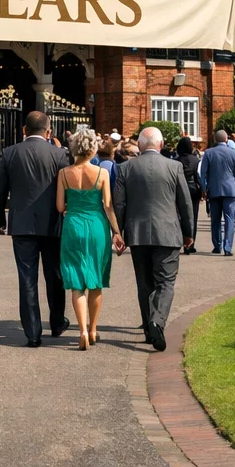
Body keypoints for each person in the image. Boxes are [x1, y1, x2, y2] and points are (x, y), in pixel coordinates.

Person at [0, 111, 71, 347]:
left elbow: (0, 190)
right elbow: (66, 189)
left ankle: (33, 332)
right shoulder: (59, 154)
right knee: (55, 275)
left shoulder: (10, 152)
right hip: (53, 223)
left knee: (27, 278)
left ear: (24, 130)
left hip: (22, 224)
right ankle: (56, 322)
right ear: (49, 132)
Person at [113, 126, 194, 351]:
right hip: (168, 233)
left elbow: (119, 203)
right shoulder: (174, 166)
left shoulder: (125, 168)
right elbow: (185, 203)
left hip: (137, 233)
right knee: (165, 282)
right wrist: (189, 233)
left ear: (139, 145)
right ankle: (157, 321)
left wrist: (118, 232)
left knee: (144, 282)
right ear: (161, 145)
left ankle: (151, 329)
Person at [56, 129, 121, 351]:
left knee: (76, 281)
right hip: (96, 227)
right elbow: (108, 206)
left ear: (74, 148)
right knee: (95, 279)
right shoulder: (102, 173)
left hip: (73, 225)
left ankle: (81, 329)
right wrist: (117, 232)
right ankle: (93, 330)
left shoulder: (64, 173)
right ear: (93, 148)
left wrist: (72, 207)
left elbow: (59, 207)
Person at [198, 129, 235, 256]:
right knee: (229, 219)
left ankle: (217, 245)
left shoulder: (208, 153)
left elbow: (203, 173)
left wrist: (204, 188)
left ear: (215, 140)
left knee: (215, 219)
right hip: (230, 190)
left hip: (214, 189)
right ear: (226, 140)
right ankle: (228, 246)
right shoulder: (234, 153)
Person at [173, 135, 203, 254]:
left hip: (179, 189)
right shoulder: (195, 160)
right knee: (193, 217)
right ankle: (190, 244)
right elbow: (198, 176)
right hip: (193, 189)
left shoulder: (176, 160)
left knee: (179, 216)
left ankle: (180, 241)